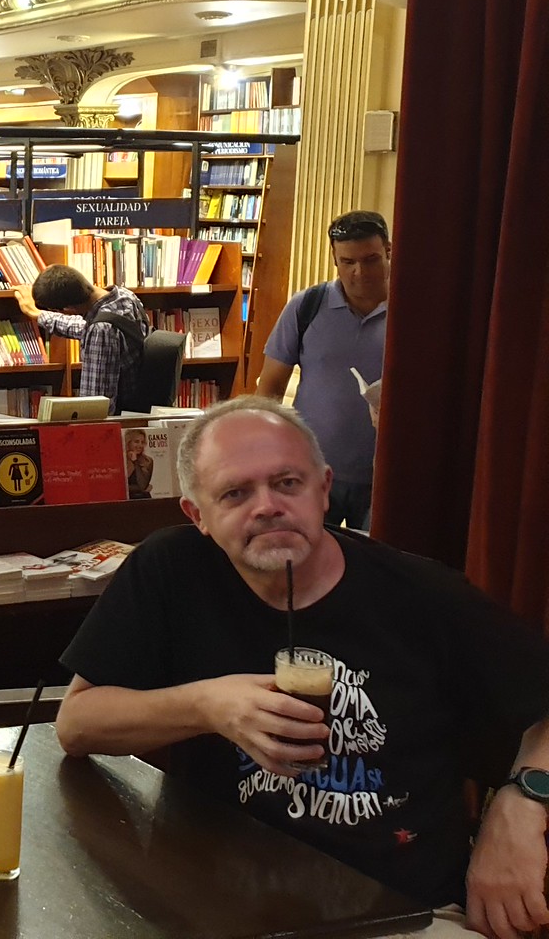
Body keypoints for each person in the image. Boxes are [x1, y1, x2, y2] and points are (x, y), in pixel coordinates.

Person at [55, 397, 549, 939]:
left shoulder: (422, 595)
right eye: (235, 493)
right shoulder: (171, 570)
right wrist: (207, 705)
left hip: (400, 915)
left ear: (324, 489)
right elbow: (77, 724)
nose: (267, 507)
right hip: (215, 908)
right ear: (198, 516)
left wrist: (522, 803)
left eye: (287, 483)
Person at [256, 210, 390, 531]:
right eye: (348, 262)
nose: (359, 272)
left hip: (384, 477)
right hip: (309, 472)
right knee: (302, 552)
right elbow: (270, 389)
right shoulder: (307, 306)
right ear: (334, 259)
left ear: (389, 251)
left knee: (373, 558)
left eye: (371, 260)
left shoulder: (417, 311)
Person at [16, 263, 149, 413]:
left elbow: (95, 406)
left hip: (122, 420)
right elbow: (84, 327)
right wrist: (38, 314)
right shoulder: (124, 297)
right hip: (141, 408)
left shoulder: (101, 330)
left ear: (68, 310)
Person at [123, 427, 153, 499]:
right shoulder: (121, 459)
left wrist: (135, 462)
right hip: (125, 499)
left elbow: (142, 485)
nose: (140, 445)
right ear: (128, 442)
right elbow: (119, 486)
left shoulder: (148, 461)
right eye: (136, 442)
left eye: (142, 442)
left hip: (144, 499)